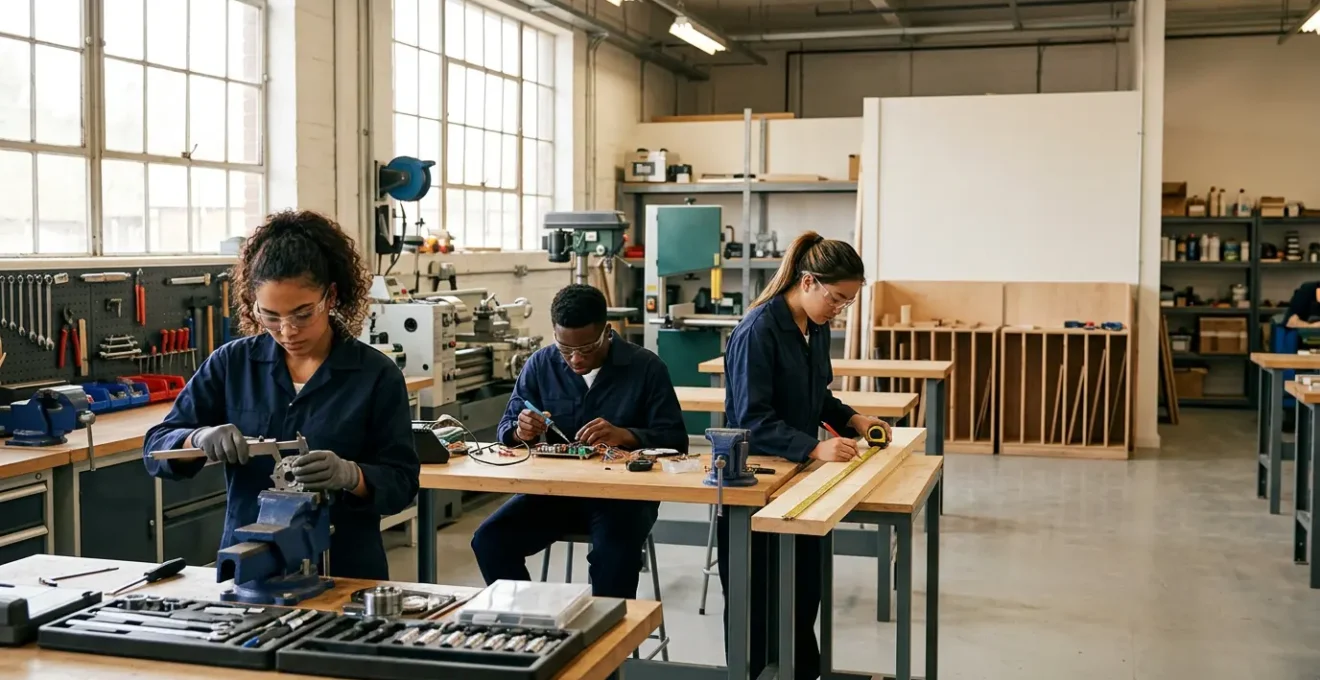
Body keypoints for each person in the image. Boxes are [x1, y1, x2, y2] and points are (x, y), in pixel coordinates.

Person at [143, 210, 419, 580]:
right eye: (270, 316)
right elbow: (156, 448)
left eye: (303, 314)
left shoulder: (376, 376)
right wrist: (197, 437)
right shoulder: (232, 364)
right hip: (250, 567)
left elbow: (402, 484)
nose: (287, 330)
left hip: (345, 570)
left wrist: (351, 475)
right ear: (253, 305)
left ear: (331, 296)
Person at [718, 231, 891, 679]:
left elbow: (817, 395)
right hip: (754, 482)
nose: (840, 309)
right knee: (758, 605)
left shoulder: (813, 327)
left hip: (798, 476)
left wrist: (851, 418)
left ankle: (799, 670)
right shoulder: (758, 330)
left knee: (801, 594)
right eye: (837, 298)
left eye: (848, 303)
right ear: (809, 281)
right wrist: (815, 446)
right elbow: (751, 419)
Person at [470, 284, 687, 598]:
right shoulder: (541, 365)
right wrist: (522, 431)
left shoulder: (646, 368)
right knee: (489, 541)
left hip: (623, 500)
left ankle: (608, 643)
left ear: (607, 332)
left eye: (585, 349)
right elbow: (507, 427)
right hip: (555, 494)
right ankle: (534, 628)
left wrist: (626, 435)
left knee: (611, 560)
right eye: (564, 348)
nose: (574, 359)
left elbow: (675, 441)